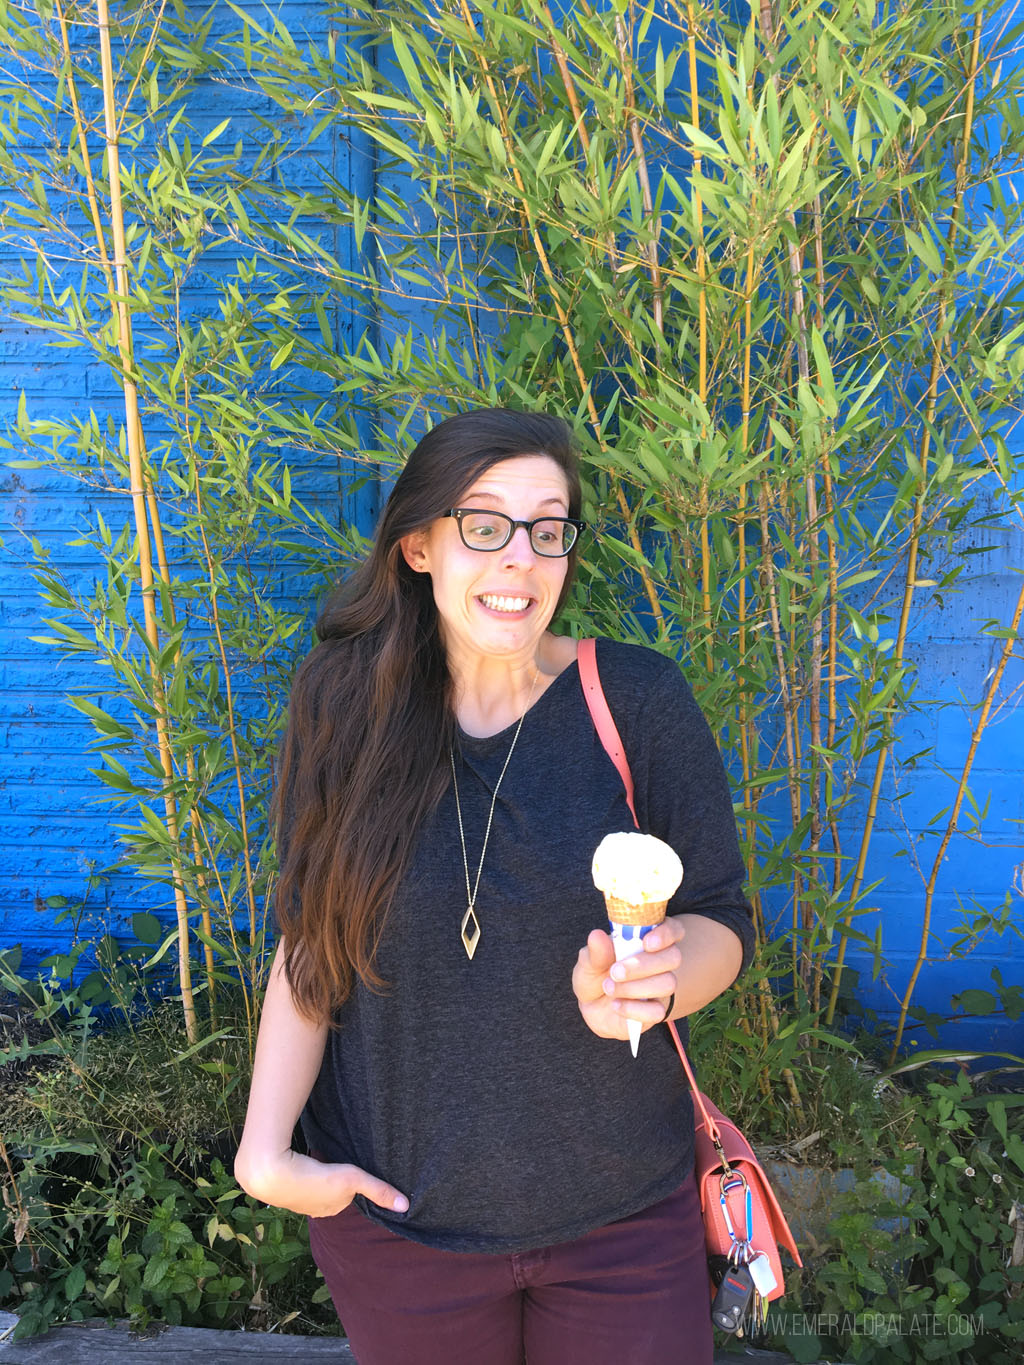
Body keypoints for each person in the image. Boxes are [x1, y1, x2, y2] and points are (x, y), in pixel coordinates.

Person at [234, 408, 755, 1365]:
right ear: (419, 545)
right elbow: (312, 938)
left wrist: (661, 983)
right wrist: (265, 1152)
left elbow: (722, 917)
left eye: (547, 529)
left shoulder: (634, 699)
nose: (520, 558)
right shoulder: (343, 706)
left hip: (623, 1225)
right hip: (402, 1229)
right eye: (485, 525)